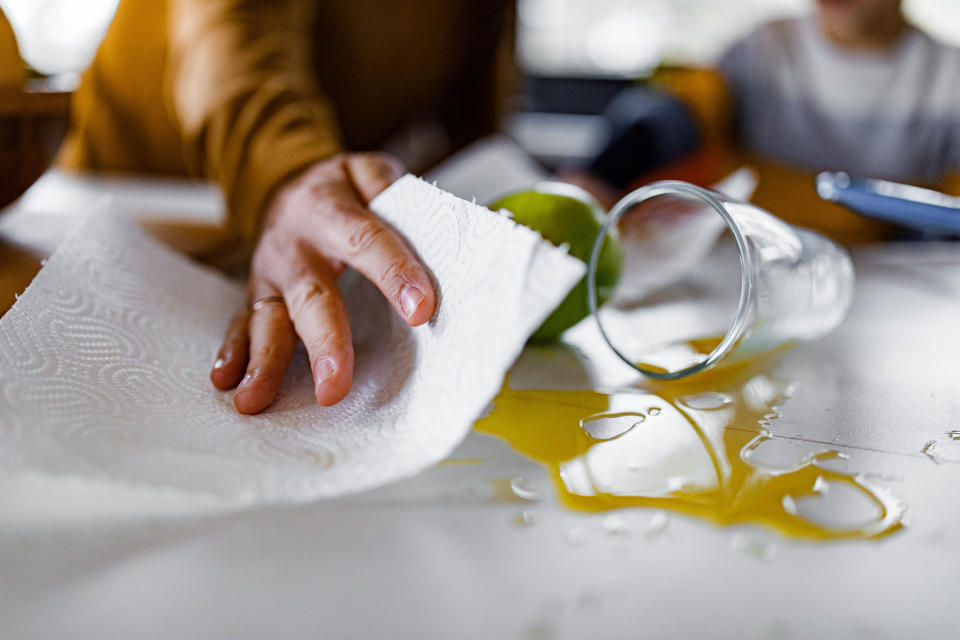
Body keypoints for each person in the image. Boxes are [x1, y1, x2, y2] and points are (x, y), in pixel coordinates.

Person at [58, 0, 515, 414]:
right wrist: (290, 179)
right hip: (119, 211)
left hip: (296, 216)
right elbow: (232, 32)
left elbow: (472, 125)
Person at [571, 0, 960, 243]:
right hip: (754, 266)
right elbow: (673, 113)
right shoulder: (763, 49)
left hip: (897, 284)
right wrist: (600, 177)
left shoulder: (949, 77)